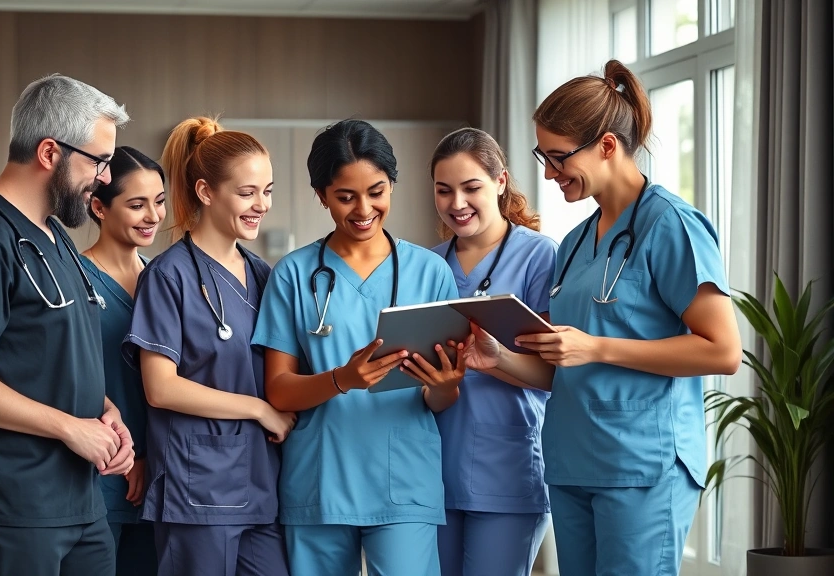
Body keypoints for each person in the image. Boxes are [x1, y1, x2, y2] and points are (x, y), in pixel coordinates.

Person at [455, 60, 742, 576]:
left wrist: (599, 346)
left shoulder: (670, 224)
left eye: (559, 157)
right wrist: (498, 360)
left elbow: (722, 351)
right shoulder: (574, 243)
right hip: (573, 462)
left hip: (640, 465)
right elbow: (561, 367)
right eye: (543, 157)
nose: (547, 172)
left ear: (607, 146)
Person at [0, 74, 136, 576]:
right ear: (49, 153)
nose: (105, 177)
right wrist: (71, 429)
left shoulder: (53, 236)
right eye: (99, 161)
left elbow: (51, 355)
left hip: (78, 502)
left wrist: (106, 415)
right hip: (8, 505)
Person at [251, 119, 470, 576]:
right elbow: (279, 390)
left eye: (377, 191)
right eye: (345, 197)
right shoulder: (293, 275)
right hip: (321, 480)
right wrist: (341, 379)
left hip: (405, 477)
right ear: (321, 194)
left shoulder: (431, 273)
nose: (364, 209)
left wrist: (447, 384)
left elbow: (440, 398)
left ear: (392, 184)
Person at [121, 116, 293, 576]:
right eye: (247, 193)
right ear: (204, 192)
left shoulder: (263, 276)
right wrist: (258, 409)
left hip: (260, 484)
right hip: (197, 489)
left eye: (268, 191)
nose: (262, 205)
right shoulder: (168, 276)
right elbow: (161, 388)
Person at [428, 127, 556, 576]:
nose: (456, 203)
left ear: (501, 182)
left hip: (508, 465)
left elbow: (553, 372)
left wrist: (497, 359)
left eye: (471, 187)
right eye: (444, 191)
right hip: (433, 468)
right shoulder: (429, 263)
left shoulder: (539, 256)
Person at [79, 145, 165, 575]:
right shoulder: (74, 280)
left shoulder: (164, 279)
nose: (152, 215)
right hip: (100, 472)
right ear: (98, 206)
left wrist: (150, 457)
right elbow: (64, 378)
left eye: (159, 202)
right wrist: (127, 455)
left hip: (159, 474)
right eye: (137, 204)